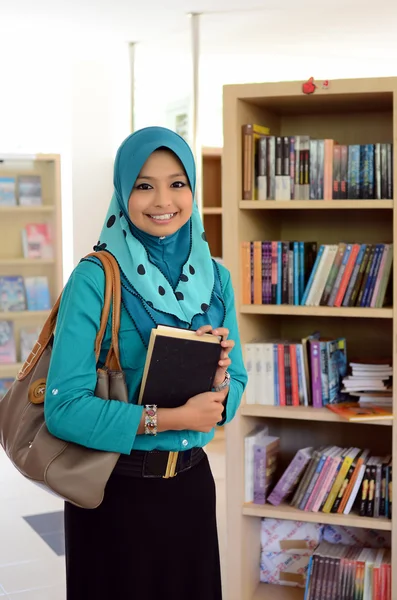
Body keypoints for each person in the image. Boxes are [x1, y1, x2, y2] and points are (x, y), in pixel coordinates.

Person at [44, 126, 247, 600]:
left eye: (177, 183)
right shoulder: (95, 278)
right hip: (115, 494)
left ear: (193, 190)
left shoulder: (216, 278)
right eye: (143, 184)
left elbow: (235, 384)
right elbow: (64, 408)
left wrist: (218, 383)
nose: (163, 200)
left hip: (192, 488)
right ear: (122, 192)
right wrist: (175, 418)